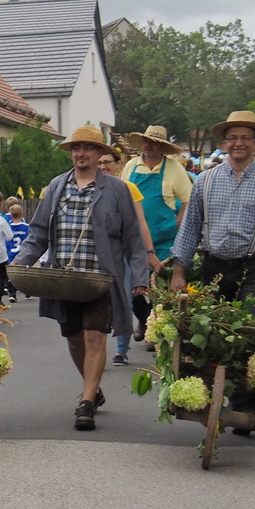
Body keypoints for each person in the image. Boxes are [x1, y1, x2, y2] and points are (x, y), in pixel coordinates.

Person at [12, 125, 148, 431]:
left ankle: (85, 403)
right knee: (74, 339)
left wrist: (140, 275)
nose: (80, 154)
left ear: (100, 154)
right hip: (64, 280)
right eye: (76, 148)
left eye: (87, 148)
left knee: (94, 336)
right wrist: (20, 264)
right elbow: (38, 234)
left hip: (101, 279)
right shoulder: (57, 186)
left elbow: (133, 239)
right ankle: (93, 387)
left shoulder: (117, 190)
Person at [168, 110, 255, 308]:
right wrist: (178, 275)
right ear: (224, 143)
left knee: (251, 329)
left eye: (245, 138)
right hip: (213, 267)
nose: (239, 143)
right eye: (233, 138)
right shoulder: (205, 180)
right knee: (211, 332)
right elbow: (189, 230)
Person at [121, 125, 191, 340]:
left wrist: (177, 225)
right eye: (147, 141)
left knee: (161, 290)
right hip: (134, 242)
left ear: (162, 147)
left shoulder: (174, 169)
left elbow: (188, 200)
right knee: (135, 290)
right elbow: (122, 198)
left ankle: (158, 331)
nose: (149, 146)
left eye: (155, 143)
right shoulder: (130, 167)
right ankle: (143, 320)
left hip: (164, 242)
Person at [97, 147, 157, 364]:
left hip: (124, 254)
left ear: (118, 164)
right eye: (100, 163)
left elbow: (140, 223)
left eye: (108, 163)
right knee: (98, 303)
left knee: (124, 299)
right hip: (98, 254)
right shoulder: (91, 187)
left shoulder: (128, 188)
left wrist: (148, 252)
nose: (103, 167)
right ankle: (97, 351)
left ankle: (121, 350)